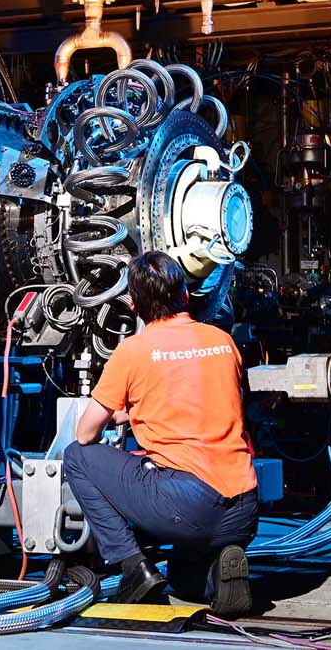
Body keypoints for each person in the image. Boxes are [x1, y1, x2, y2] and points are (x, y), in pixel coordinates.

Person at [62, 251, 258, 616]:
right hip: (243, 507)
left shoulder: (133, 352)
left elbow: (86, 433)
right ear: (185, 294)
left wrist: (124, 414)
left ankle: (133, 568)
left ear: (134, 305)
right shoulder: (222, 340)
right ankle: (219, 574)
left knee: (78, 457)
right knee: (183, 579)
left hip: (187, 505)